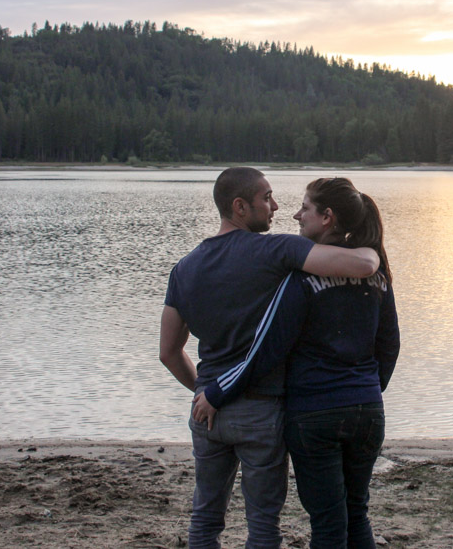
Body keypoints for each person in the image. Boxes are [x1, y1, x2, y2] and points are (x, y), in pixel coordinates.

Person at [159, 167, 380, 549]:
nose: (277, 206)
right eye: (267, 198)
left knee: (205, 517)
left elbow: (167, 352)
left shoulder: (184, 268)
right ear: (240, 207)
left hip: (206, 409)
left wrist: (205, 391)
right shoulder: (276, 250)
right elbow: (359, 267)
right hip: (261, 411)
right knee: (263, 524)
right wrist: (373, 253)